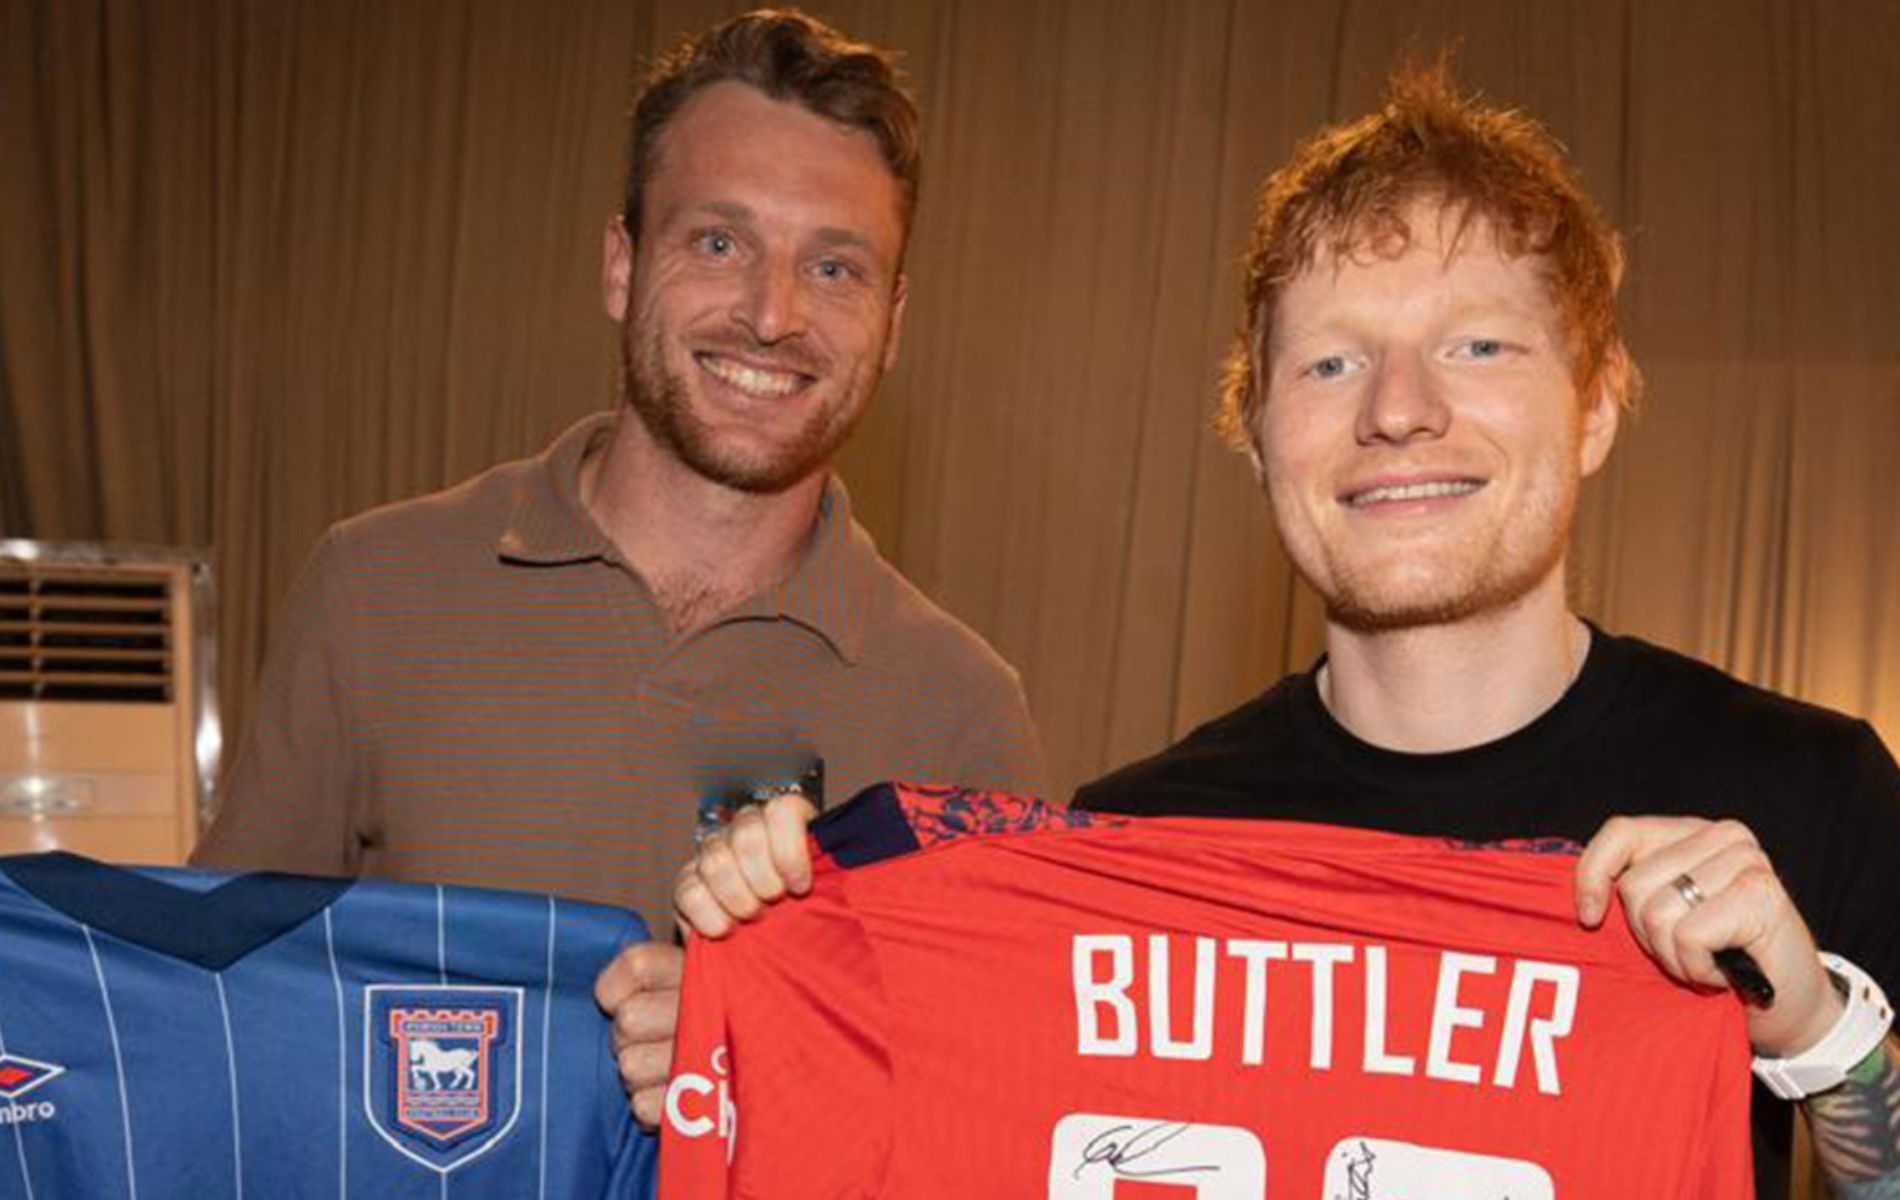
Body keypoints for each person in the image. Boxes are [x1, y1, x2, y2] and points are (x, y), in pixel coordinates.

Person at [671, 64, 1900, 1198]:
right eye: (1328, 364)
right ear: (1252, 433)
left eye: (1476, 345)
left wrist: (1815, 1033)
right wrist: (771, 968)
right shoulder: (1128, 857)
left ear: (1594, 407)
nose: (1400, 411)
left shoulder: (1807, 791)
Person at [192, 8, 1046, 1124]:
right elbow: (210, 997)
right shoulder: (376, 589)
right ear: (619, 263)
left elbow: (991, 1113)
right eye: (718, 242)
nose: (770, 315)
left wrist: (779, 1052)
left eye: (833, 266)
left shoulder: (961, 713)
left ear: (891, 324)